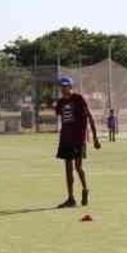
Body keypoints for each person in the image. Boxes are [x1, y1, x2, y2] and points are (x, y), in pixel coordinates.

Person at [53, 76, 100, 208]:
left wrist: (95, 137)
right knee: (68, 169)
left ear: (70, 87)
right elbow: (59, 115)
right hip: (65, 139)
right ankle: (71, 198)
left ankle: (85, 189)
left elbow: (89, 117)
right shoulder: (60, 102)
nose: (63, 89)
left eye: (65, 86)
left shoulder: (78, 99)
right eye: (61, 86)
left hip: (78, 138)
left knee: (78, 167)